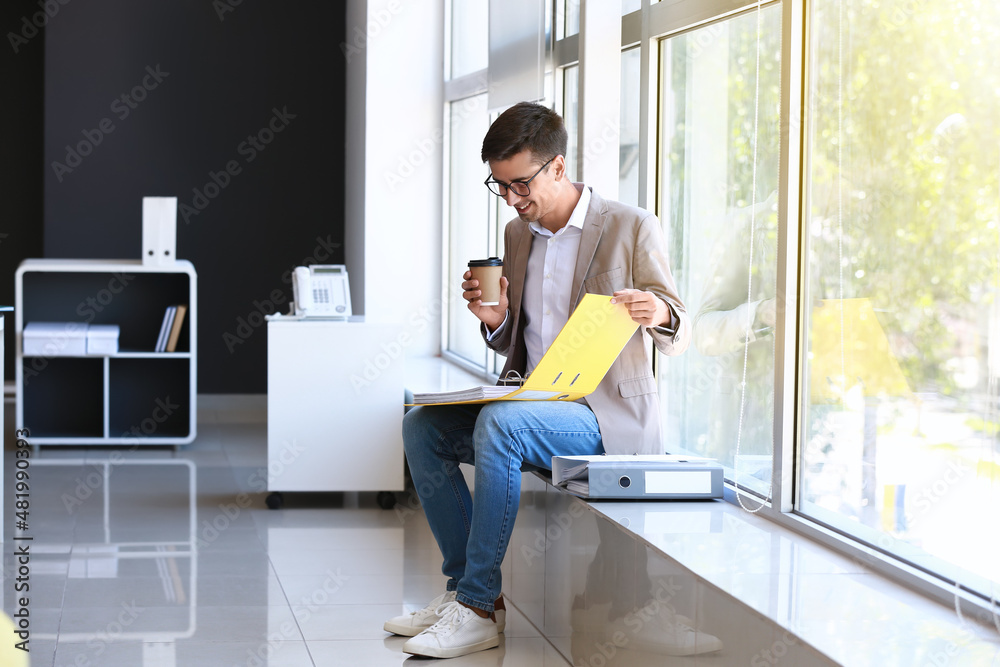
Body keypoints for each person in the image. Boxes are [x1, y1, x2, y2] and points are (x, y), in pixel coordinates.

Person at [385, 101, 690, 659]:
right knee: (420, 426)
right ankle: (463, 591)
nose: (512, 199)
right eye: (499, 186)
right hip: (533, 402)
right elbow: (519, 338)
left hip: (603, 417)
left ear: (557, 166)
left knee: (502, 424)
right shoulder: (517, 233)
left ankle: (479, 607)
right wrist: (496, 323)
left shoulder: (630, 225)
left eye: (521, 184)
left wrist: (658, 310)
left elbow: (678, 323)